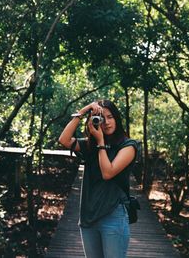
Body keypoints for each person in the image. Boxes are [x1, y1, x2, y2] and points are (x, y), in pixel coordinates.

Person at [58, 99, 137, 258]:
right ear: (94, 122)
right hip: (89, 216)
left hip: (113, 215)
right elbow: (64, 140)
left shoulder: (128, 146)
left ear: (117, 119)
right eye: (101, 118)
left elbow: (108, 173)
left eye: (110, 117)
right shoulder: (90, 146)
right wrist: (84, 111)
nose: (106, 123)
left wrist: (101, 142)